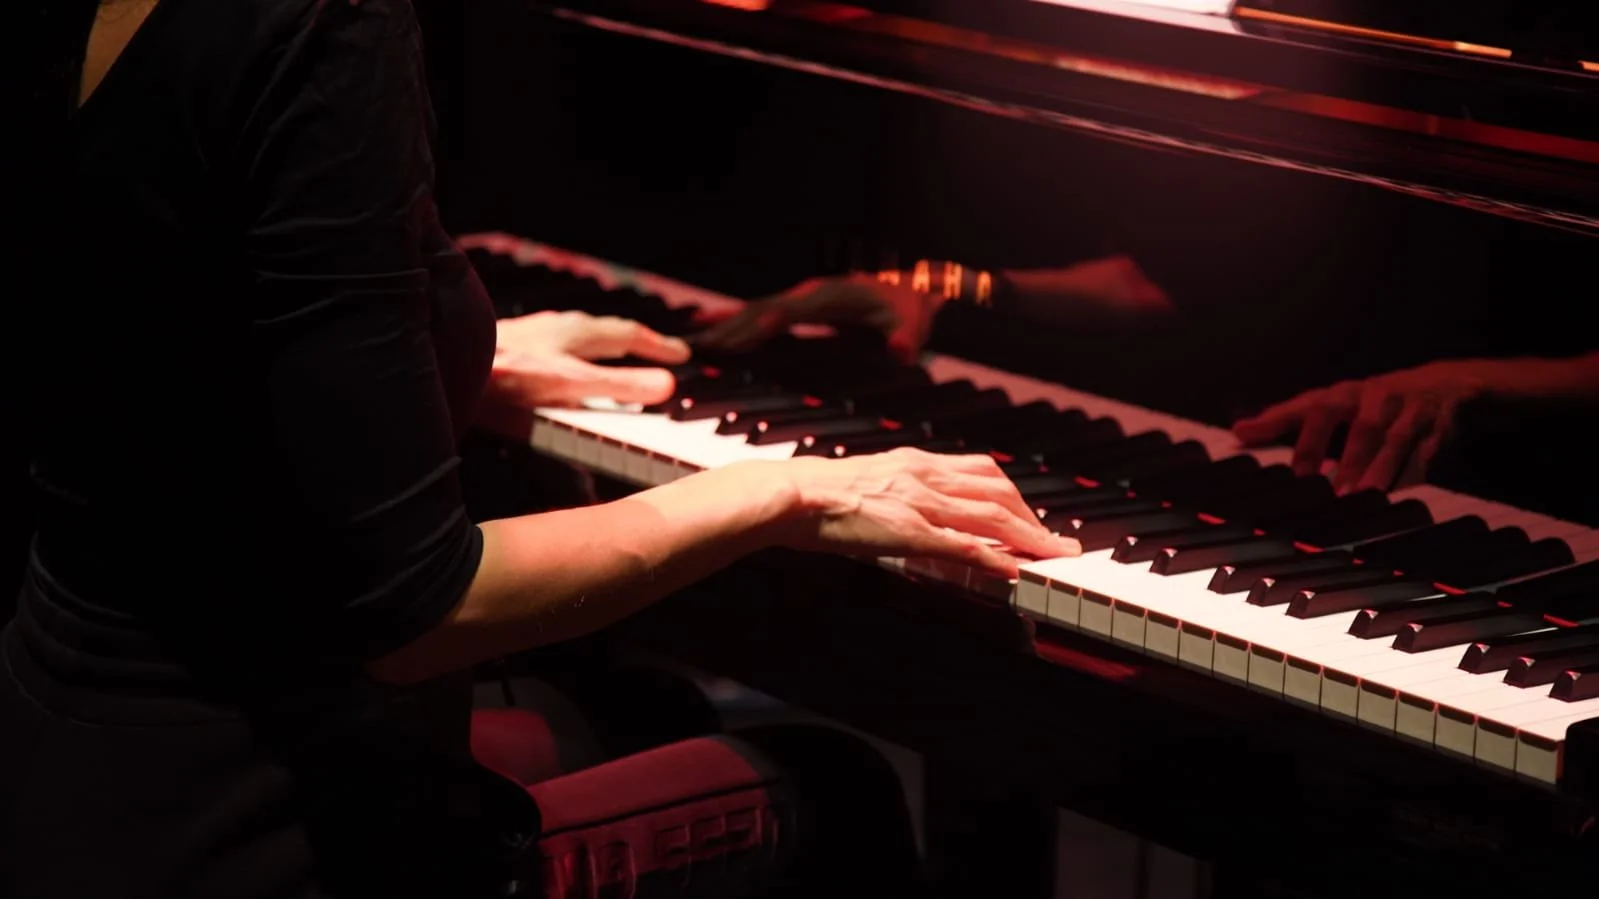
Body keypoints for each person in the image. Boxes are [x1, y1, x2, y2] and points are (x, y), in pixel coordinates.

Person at [3, 3, 1081, 899]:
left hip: (70, 740)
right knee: (834, 786)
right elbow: (417, 611)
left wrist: (423, 364)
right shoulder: (322, 22)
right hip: (258, 827)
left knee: (643, 711)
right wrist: (779, 489)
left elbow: (155, 316)